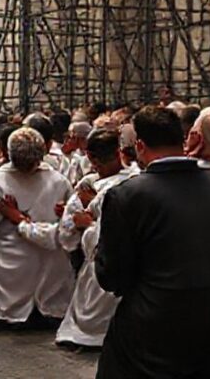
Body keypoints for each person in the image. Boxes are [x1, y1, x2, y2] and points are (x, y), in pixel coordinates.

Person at [95, 106, 210, 378]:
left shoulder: (126, 196)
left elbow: (113, 277)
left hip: (160, 325)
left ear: (140, 146)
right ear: (182, 141)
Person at [0, 127, 74, 327]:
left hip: (5, 269)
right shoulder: (60, 182)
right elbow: (68, 231)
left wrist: (16, 219)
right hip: (50, 269)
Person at [53, 129, 136, 349]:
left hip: (102, 259)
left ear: (90, 157)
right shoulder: (137, 180)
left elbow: (68, 235)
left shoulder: (91, 191)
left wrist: (88, 225)